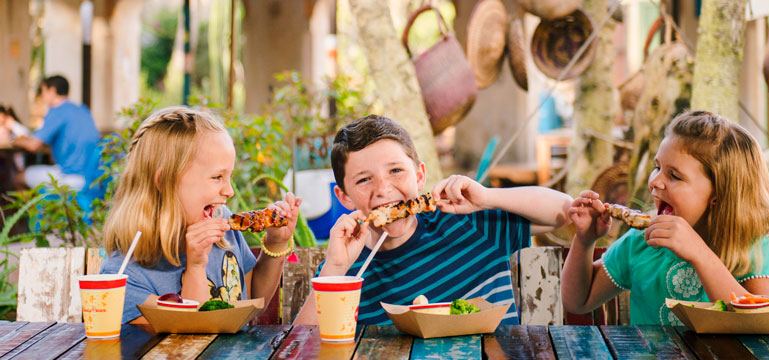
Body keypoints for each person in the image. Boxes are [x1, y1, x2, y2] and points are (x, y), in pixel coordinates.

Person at [293, 115, 573, 325]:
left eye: (395, 171)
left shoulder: (467, 223)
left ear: (419, 176)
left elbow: (564, 211)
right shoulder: (344, 274)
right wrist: (335, 268)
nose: (383, 189)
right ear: (345, 198)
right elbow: (300, 347)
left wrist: (488, 197)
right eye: (364, 180)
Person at [561, 110, 769, 325]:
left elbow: (762, 323)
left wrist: (699, 254)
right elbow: (578, 301)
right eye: (657, 167)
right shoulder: (643, 241)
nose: (655, 181)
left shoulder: (753, 245)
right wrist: (584, 241)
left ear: (719, 195)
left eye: (674, 176)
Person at [98, 107, 302, 324]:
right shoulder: (126, 277)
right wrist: (195, 267)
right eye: (217, 177)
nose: (229, 191)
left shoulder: (225, 235)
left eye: (229, 176)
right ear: (165, 182)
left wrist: (276, 243)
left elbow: (253, 299)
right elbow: (189, 343)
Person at [14, 75, 100, 191]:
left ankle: (31, 209)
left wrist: (14, 140)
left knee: (18, 178)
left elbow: (33, 145)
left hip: (70, 176)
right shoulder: (82, 110)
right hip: (92, 177)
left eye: (43, 91)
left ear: (52, 91)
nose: (42, 96)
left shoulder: (57, 111)